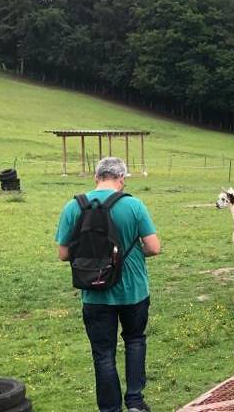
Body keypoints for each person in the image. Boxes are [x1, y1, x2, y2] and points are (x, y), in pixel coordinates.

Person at [55, 157, 160, 412]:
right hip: (133, 290)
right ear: (121, 178)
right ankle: (135, 402)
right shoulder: (134, 205)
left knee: (103, 354)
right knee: (135, 341)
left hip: (94, 293)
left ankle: (111, 409)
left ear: (96, 177)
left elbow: (63, 254)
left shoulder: (73, 206)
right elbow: (154, 247)